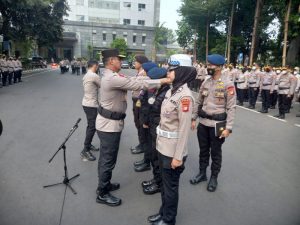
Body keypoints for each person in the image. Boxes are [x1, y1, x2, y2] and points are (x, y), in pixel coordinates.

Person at [95, 49, 170, 207]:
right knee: (107, 159)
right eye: (118, 60)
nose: (121, 62)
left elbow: (130, 79)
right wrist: (163, 80)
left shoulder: (113, 76)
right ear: (111, 62)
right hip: (109, 125)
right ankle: (102, 192)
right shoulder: (111, 78)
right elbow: (136, 83)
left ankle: (105, 184)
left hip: (111, 122)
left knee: (108, 158)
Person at [148, 54, 196, 225]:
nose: (168, 72)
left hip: (173, 152)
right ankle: (163, 213)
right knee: (165, 186)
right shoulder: (171, 90)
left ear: (182, 71)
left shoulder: (185, 97)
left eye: (172, 70)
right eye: (169, 69)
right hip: (163, 146)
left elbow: (184, 131)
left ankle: (169, 220)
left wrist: (178, 156)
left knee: (170, 189)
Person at [190, 54, 236, 192]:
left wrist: (228, 128)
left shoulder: (228, 84)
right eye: (208, 64)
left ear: (220, 67)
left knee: (216, 152)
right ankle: (202, 173)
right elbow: (199, 101)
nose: (208, 67)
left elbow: (231, 107)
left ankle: (214, 177)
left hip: (219, 124)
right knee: (203, 150)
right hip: (203, 123)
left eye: (211, 65)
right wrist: (193, 118)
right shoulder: (206, 82)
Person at [141, 67, 170, 195]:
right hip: (153, 125)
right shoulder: (158, 89)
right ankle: (156, 179)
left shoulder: (165, 92)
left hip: (159, 127)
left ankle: (159, 183)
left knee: (158, 157)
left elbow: (154, 108)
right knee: (154, 155)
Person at [134, 61, 158, 172]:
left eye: (144, 70)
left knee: (149, 142)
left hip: (148, 119)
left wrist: (146, 121)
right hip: (143, 116)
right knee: (144, 140)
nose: (142, 72)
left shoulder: (152, 84)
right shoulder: (147, 83)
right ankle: (145, 160)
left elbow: (149, 105)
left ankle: (147, 162)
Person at [80, 60, 101, 162]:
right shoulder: (94, 76)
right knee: (92, 127)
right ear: (95, 66)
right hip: (91, 105)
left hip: (86, 103)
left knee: (90, 126)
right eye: (97, 66)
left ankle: (88, 144)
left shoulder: (87, 74)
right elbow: (103, 86)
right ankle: (85, 150)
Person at [130, 55, 149, 154]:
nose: (134, 63)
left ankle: (143, 145)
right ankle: (141, 143)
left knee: (140, 123)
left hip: (140, 101)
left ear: (141, 63)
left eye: (136, 61)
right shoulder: (139, 73)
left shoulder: (144, 74)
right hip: (136, 101)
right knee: (137, 122)